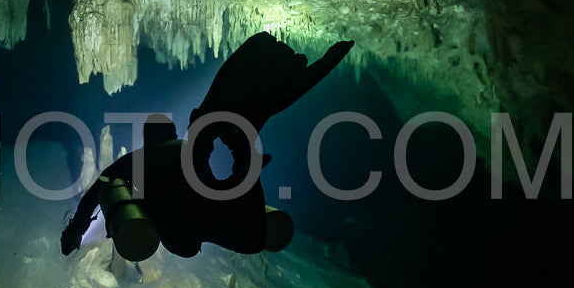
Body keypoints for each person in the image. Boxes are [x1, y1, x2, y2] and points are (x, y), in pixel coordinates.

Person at [61, 32, 354, 260]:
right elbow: (213, 169)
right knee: (252, 241)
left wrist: (75, 231)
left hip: (179, 234)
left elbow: (96, 191)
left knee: (202, 224)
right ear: (172, 131)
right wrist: (239, 155)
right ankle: (247, 159)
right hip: (209, 213)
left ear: (148, 136)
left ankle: (246, 159)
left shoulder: (136, 160)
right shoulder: (184, 146)